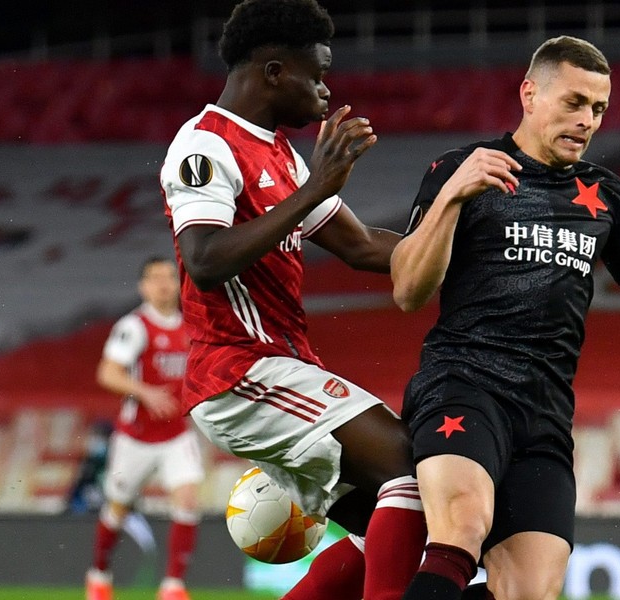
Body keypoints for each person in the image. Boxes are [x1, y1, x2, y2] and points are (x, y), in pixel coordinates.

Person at [391, 36, 620, 600]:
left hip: (544, 413)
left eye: (598, 108)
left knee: (530, 592)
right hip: (463, 388)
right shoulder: (462, 170)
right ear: (529, 94)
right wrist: (450, 198)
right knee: (462, 527)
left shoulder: (606, 195)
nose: (587, 121)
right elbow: (407, 291)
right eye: (574, 102)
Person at [159, 2, 425, 600]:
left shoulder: (280, 154)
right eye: (318, 74)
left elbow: (361, 246)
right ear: (275, 72)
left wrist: (472, 254)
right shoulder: (205, 146)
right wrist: (313, 190)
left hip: (280, 366)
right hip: (237, 371)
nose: (327, 91)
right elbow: (205, 261)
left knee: (409, 521)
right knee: (407, 461)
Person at [85, 257, 202, 600]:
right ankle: (99, 574)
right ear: (143, 287)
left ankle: (173, 586)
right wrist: (145, 392)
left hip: (176, 433)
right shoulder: (134, 326)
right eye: (155, 277)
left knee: (188, 499)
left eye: (170, 276)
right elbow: (107, 373)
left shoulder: (192, 326)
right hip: (136, 436)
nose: (164, 283)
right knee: (118, 508)